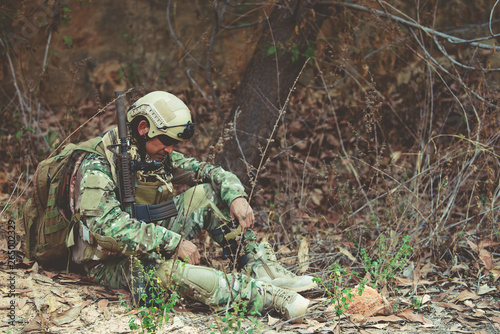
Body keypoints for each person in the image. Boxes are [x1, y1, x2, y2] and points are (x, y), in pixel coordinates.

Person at [66, 91, 316, 322]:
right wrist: (172, 242)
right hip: (106, 262)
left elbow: (209, 172)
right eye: (165, 140)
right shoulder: (98, 164)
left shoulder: (153, 152)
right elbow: (106, 226)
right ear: (143, 128)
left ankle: (257, 266)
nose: (170, 149)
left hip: (146, 239)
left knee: (208, 193)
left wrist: (235, 196)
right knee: (173, 273)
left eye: (174, 142)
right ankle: (266, 296)